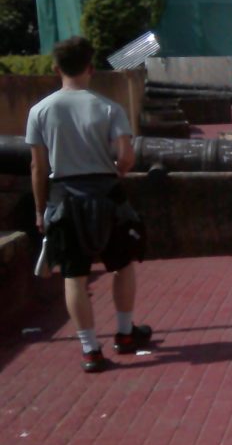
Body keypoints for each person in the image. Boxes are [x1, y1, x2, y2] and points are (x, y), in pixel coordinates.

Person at [25, 37, 150, 373]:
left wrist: (40, 210)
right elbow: (125, 156)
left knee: (74, 274)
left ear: (56, 68)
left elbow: (38, 167)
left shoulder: (40, 111)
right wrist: (118, 171)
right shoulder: (109, 108)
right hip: (107, 194)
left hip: (64, 196)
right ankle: (124, 333)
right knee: (122, 265)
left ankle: (89, 348)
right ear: (91, 68)